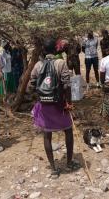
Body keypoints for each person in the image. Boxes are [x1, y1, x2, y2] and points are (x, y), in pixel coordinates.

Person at [29, 38, 78, 178]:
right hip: (60, 105)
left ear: (43, 51)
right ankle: (69, 163)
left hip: (44, 105)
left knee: (47, 135)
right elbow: (67, 85)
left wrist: (38, 99)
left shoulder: (38, 65)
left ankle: (53, 167)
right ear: (56, 50)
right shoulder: (61, 63)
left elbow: (31, 85)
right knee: (68, 131)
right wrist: (68, 103)